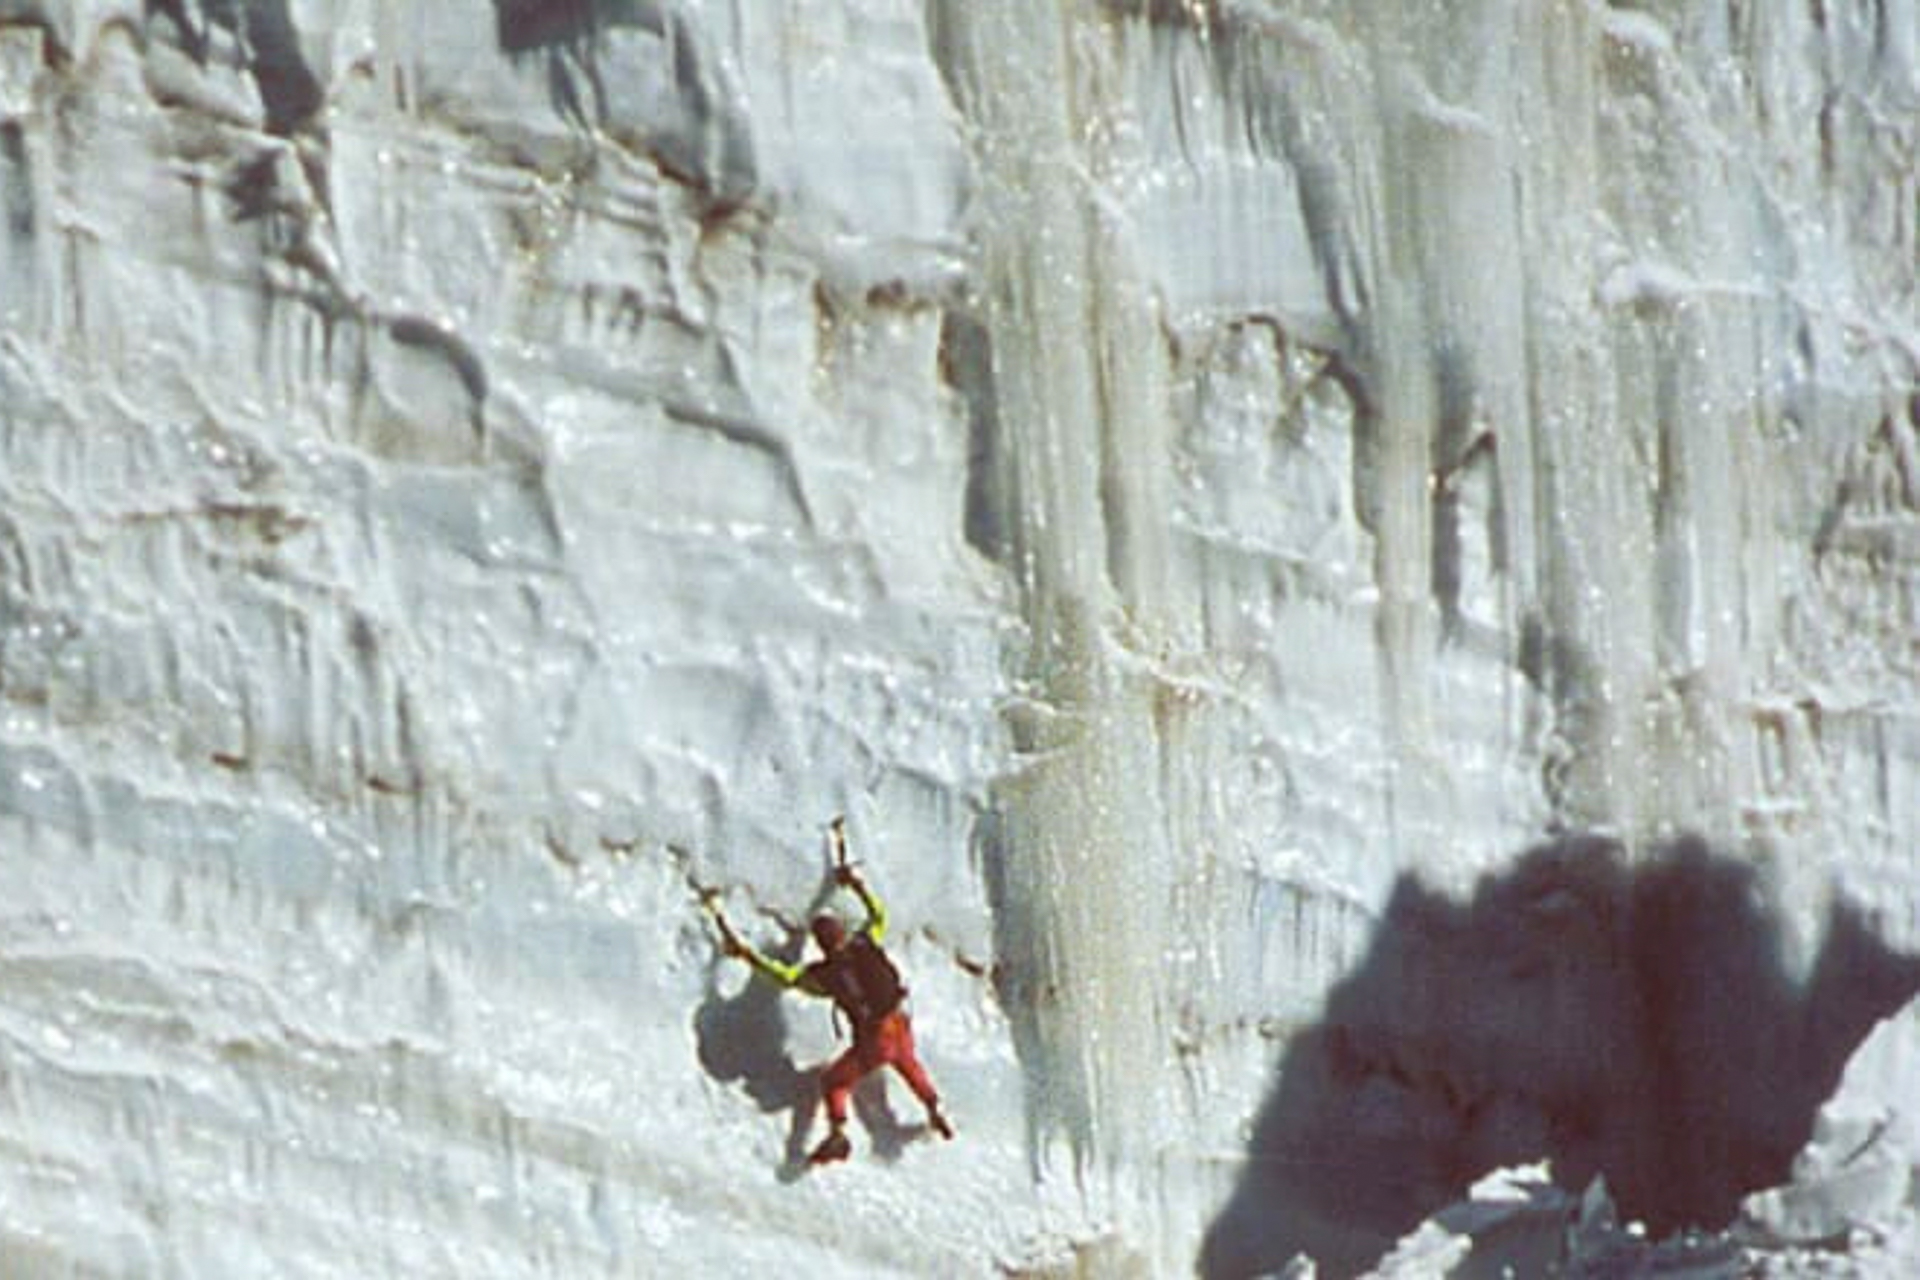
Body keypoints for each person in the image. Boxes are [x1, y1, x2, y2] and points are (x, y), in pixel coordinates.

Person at [719, 818, 954, 1165]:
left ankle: (837, 1131)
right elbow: (878, 914)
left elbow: (785, 976)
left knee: (834, 1081)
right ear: (842, 934)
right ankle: (934, 1107)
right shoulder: (864, 942)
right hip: (898, 1023)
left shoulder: (825, 977)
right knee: (908, 1064)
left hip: (872, 1040)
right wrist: (855, 885)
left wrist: (749, 956)